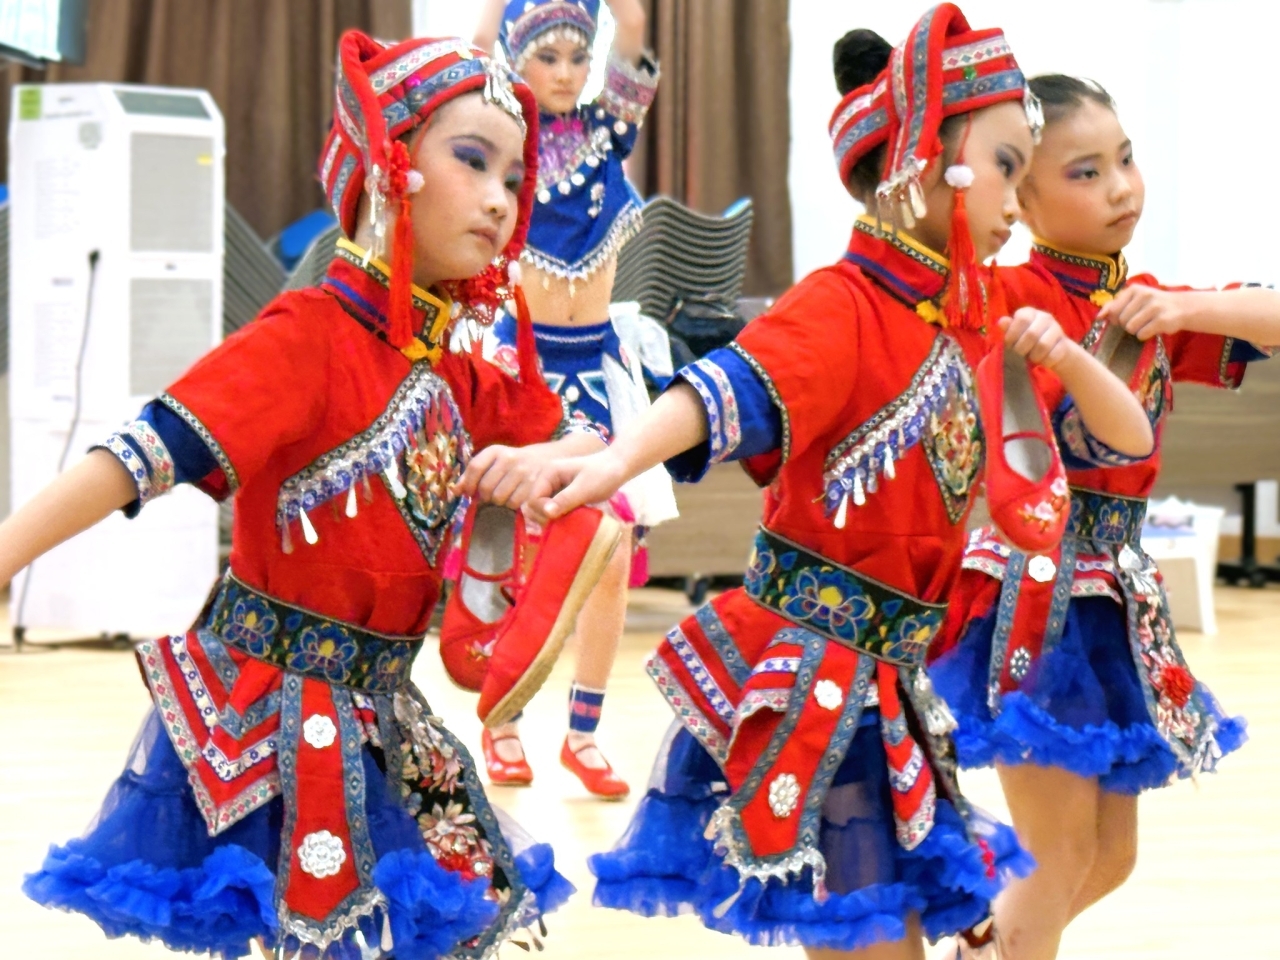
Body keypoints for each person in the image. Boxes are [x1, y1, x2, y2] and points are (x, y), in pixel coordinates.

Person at [465, 7, 1157, 957]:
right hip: (818, 682)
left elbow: (1122, 434)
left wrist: (1076, 357)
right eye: (1006, 164)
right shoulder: (846, 305)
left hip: (891, 684)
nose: (1016, 194)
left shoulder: (970, 314)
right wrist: (615, 459)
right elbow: (727, 389)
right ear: (928, 162)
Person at [16, 31, 614, 959]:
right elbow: (139, 456)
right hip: (273, 710)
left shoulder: (454, 370)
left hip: (386, 711)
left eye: (512, 176)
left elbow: (584, 439)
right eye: (472, 160)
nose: (502, 199)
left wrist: (543, 463)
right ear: (388, 165)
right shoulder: (307, 337)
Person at [927, 73, 1279, 959]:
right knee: (1056, 857)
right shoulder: (1007, 297)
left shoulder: (1143, 302)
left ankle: (982, 947)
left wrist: (1186, 307)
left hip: (1114, 599)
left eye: (1125, 159)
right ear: (1022, 197)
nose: (1121, 187)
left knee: (1109, 858)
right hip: (1035, 596)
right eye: (1085, 172)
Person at [443, 0, 676, 800]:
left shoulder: (609, 130)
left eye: (579, 57)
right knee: (520, 553)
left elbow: (634, 30)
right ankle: (501, 721)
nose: (569, 73)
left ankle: (584, 733)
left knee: (608, 554)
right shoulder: (509, 143)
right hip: (530, 373)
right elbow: (477, 48)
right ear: (519, 62)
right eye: (549, 57)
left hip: (600, 370)